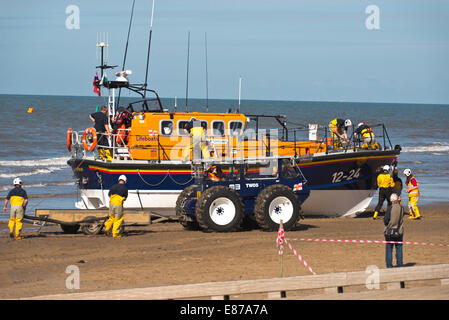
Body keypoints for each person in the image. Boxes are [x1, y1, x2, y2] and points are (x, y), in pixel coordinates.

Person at [384, 193, 404, 268]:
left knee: (389, 249)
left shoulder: (390, 208)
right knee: (399, 249)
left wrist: (388, 224)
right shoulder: (401, 208)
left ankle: (389, 266)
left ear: (391, 200)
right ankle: (400, 265)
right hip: (399, 231)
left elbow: (386, 220)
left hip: (390, 231)